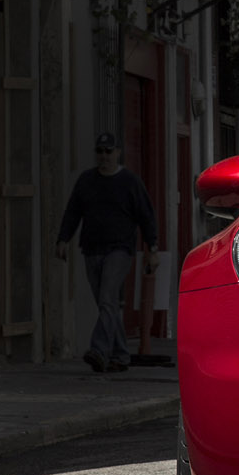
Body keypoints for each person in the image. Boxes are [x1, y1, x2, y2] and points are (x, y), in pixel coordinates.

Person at [56, 133, 159, 373]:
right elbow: (73, 212)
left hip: (119, 249)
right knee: (107, 304)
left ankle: (99, 350)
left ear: (118, 153)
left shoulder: (130, 182)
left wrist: (152, 249)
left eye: (108, 151)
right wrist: (63, 239)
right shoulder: (86, 181)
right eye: (100, 152)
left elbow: (146, 216)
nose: (104, 157)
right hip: (91, 249)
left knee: (106, 298)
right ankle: (121, 355)